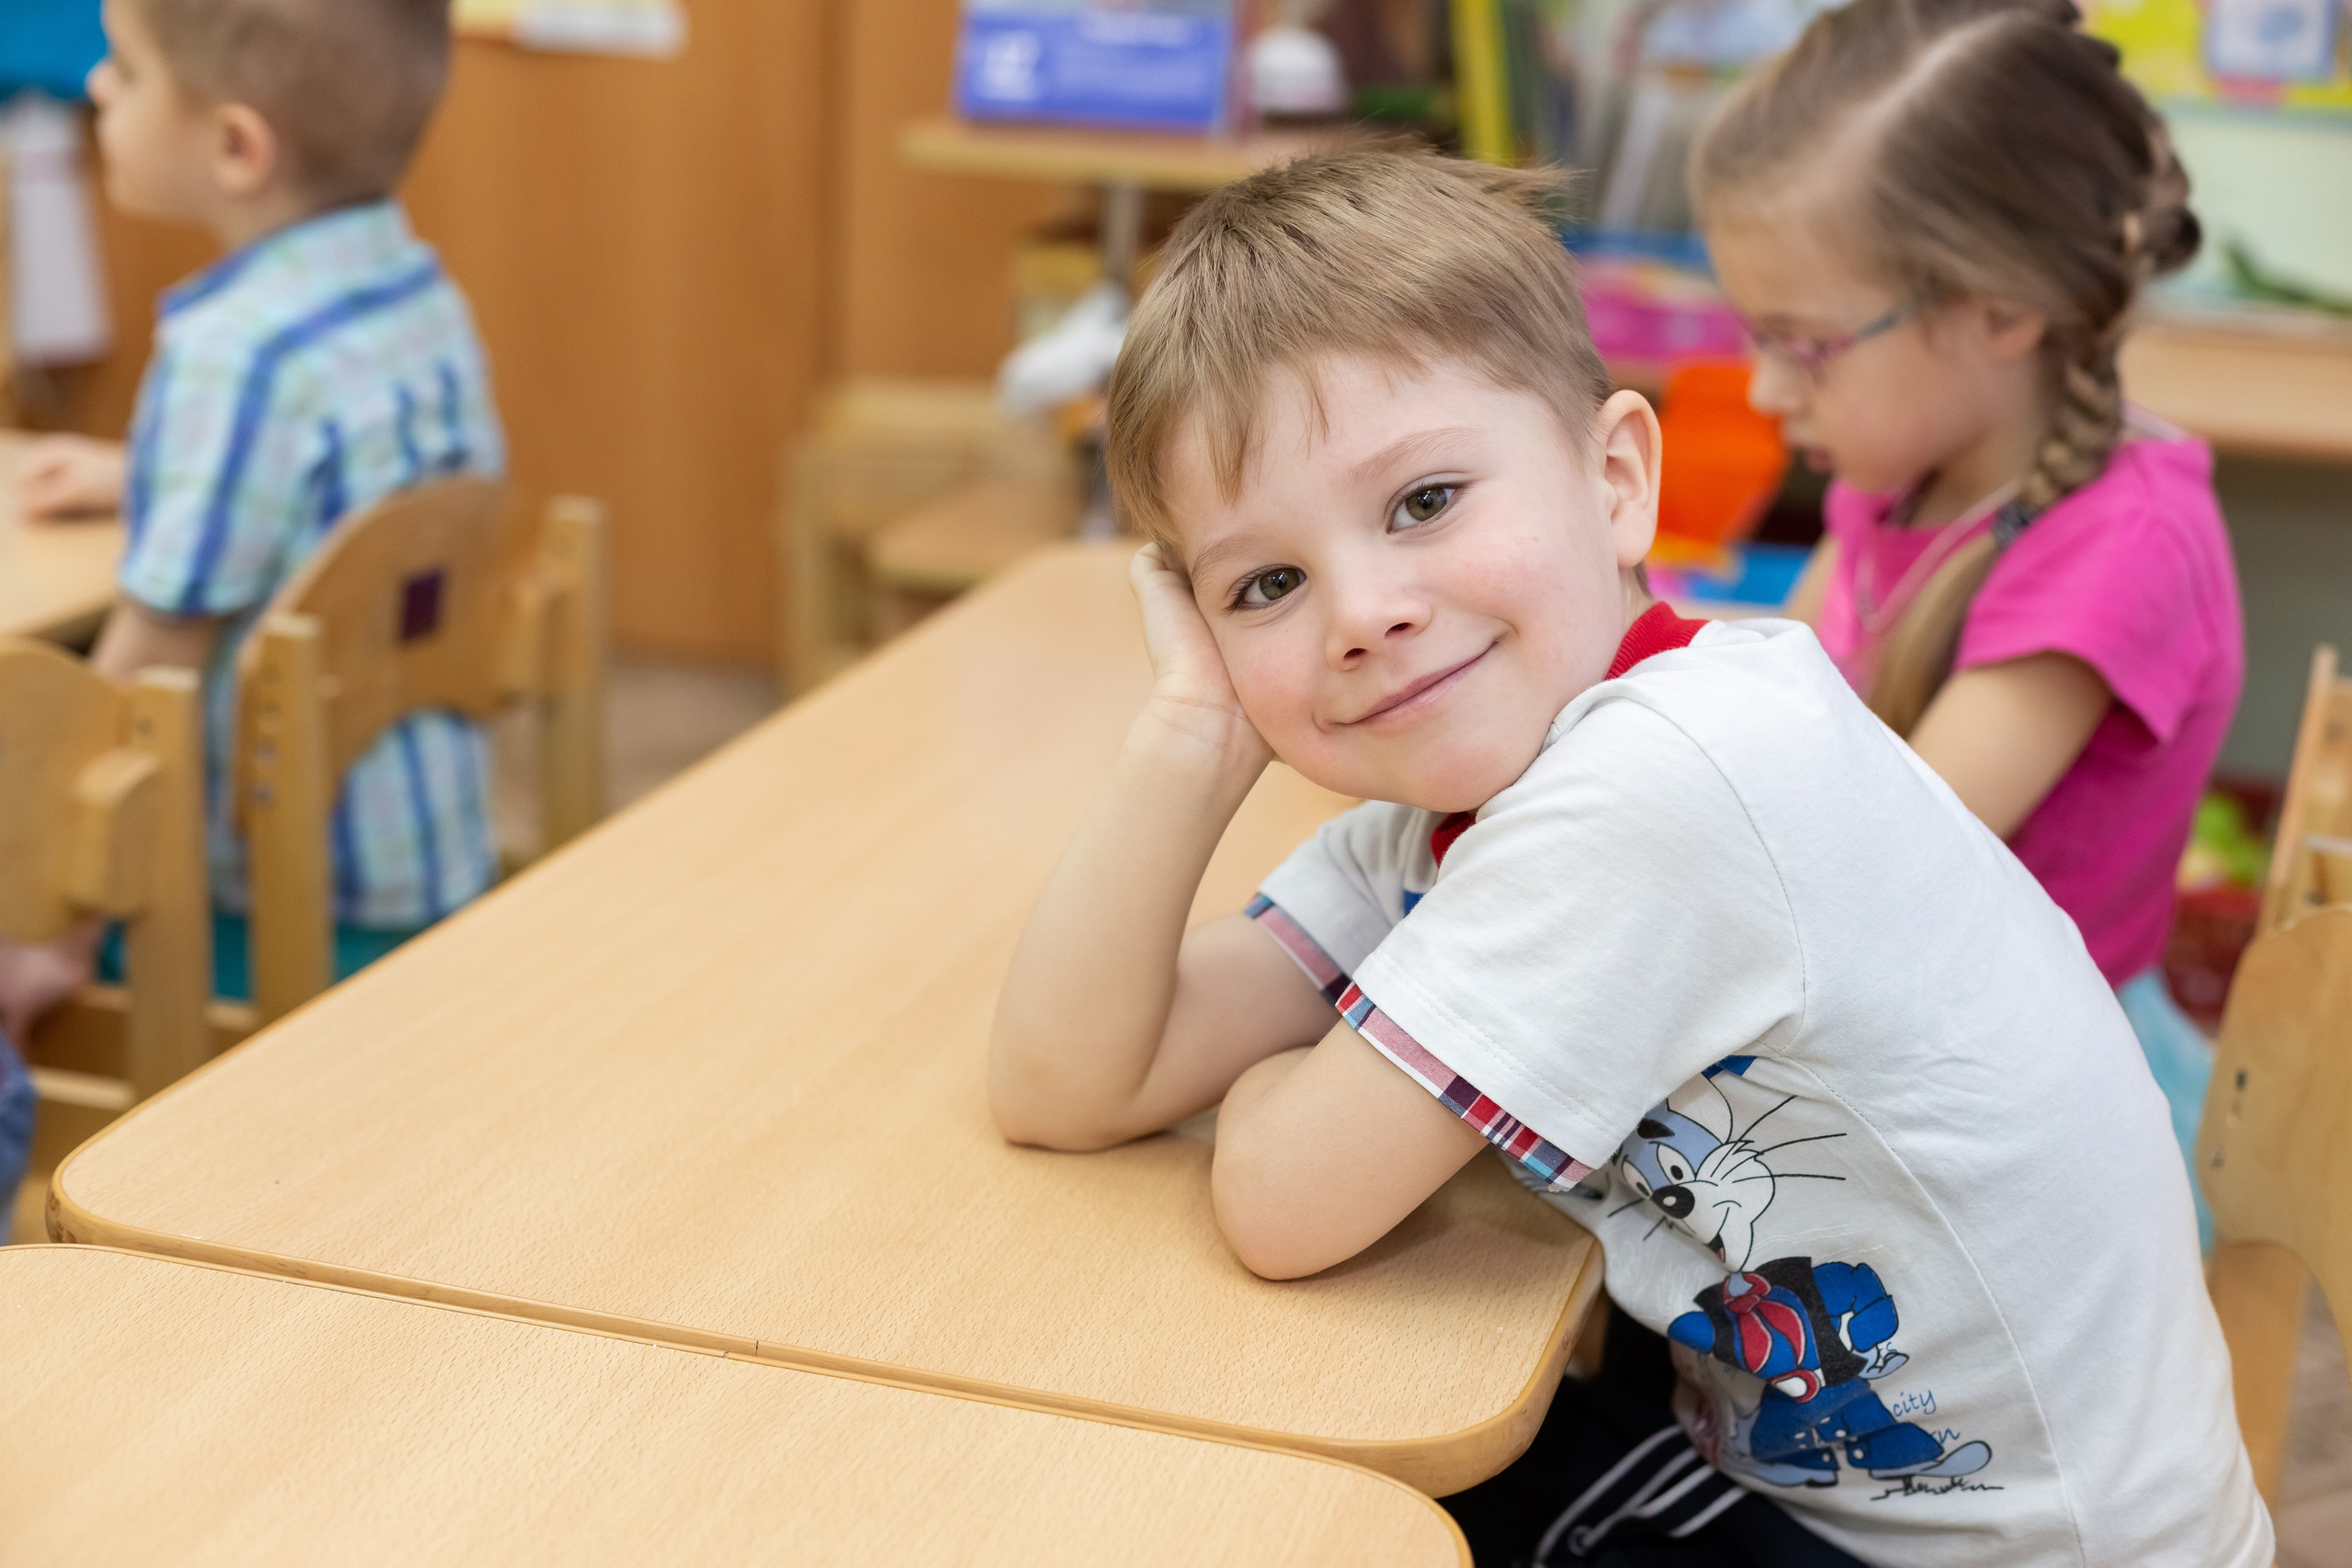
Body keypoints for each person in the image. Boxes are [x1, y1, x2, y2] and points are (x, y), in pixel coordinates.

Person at [989, 149, 2267, 1567]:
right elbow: (1068, 1079)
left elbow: (1280, 1201)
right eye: (1266, 584)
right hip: (1834, 1488)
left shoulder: (1658, 783)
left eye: (1423, 501)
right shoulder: (1456, 808)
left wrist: (1307, 1071)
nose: (1362, 612)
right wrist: (1189, 730)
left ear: (1614, 479)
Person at [1691, 0, 2236, 1247]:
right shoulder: (1899, 460)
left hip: (2029, 1128)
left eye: (1806, 344)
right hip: (1887, 1036)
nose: (1770, 390)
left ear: (1999, 310)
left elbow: (1873, 864)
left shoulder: (2118, 553)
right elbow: (1777, 695)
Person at [0, 0, 503, 1039]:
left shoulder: (232, 354)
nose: (95, 87)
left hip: (277, 911)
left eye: (127, 73)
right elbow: (342, 484)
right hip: (431, 859)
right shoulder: (411, 285)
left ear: (236, 146)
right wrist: (143, 471)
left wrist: (47, 912)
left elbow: (151, 673)